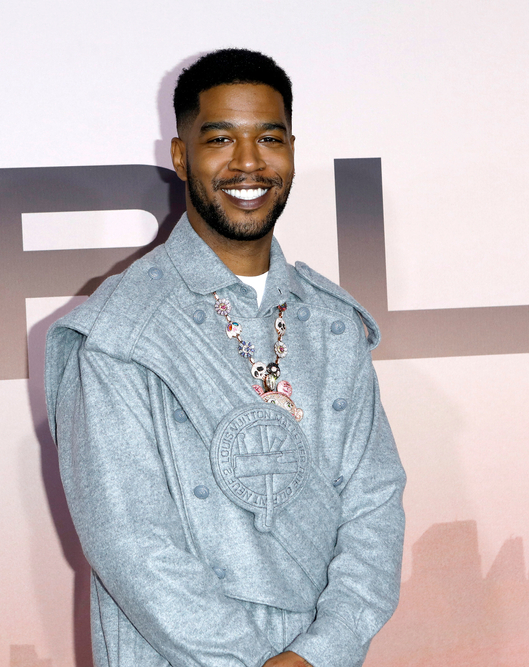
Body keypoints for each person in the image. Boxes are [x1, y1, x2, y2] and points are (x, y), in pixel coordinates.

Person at [45, 48, 405, 667]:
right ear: (181, 155)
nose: (248, 162)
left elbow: (376, 505)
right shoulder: (119, 332)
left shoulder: (334, 322)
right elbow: (132, 546)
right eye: (220, 139)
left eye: (269, 138)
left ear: (292, 148)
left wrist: (319, 654)